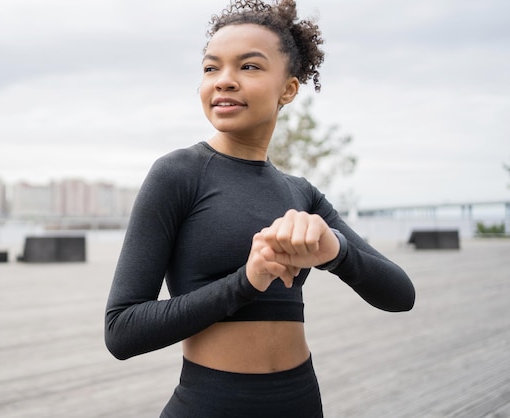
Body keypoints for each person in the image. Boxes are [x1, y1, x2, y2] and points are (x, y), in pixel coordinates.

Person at [105, 0, 416, 416]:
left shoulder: (301, 194)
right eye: (211, 68)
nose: (224, 81)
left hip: (301, 400)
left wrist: (335, 251)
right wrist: (246, 283)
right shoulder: (178, 174)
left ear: (288, 88)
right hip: (211, 404)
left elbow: (401, 295)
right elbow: (121, 331)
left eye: (248, 67)